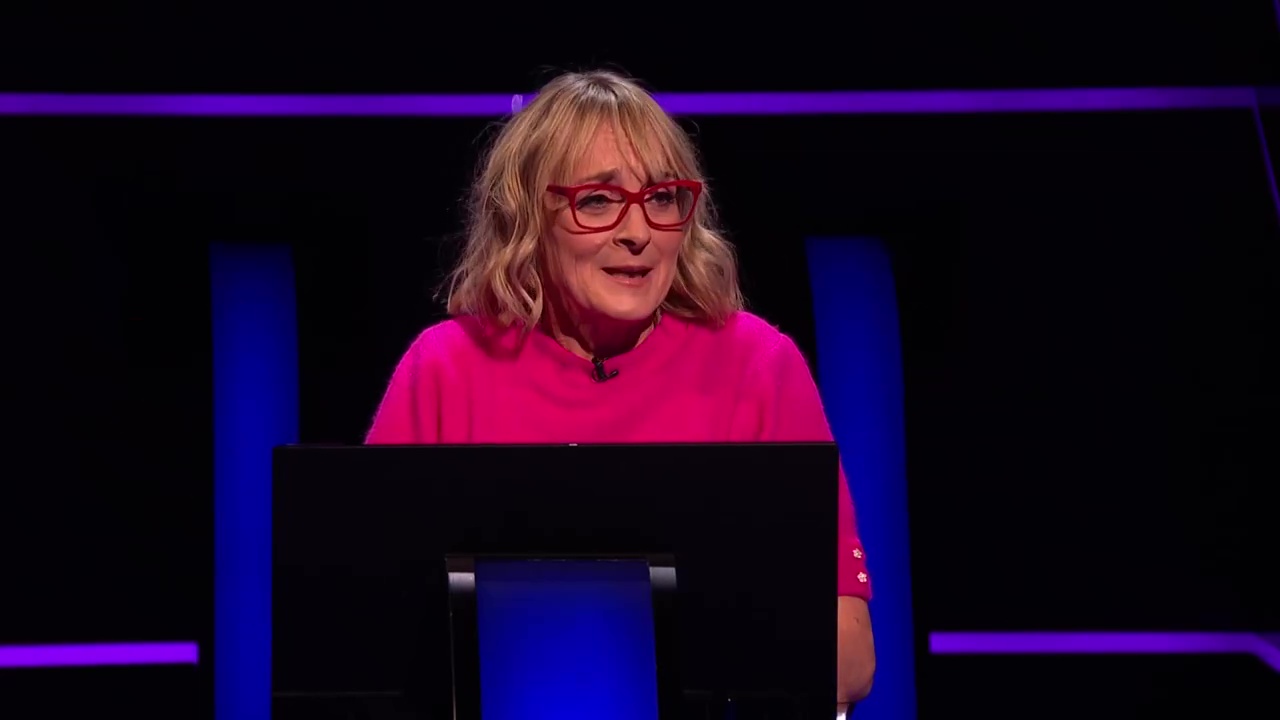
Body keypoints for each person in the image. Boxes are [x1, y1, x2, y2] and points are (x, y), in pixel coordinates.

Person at [365, 69, 875, 705]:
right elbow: (368, 644)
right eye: (599, 201)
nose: (638, 231)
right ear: (528, 215)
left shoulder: (759, 366)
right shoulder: (445, 369)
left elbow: (849, 659)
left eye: (662, 198)